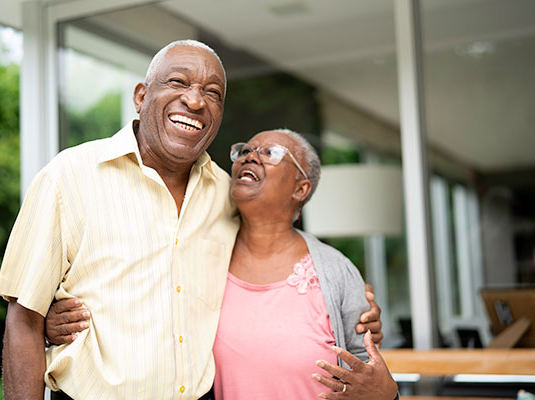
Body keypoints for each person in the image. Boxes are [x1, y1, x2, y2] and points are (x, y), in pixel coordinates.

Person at [0, 40, 383, 400]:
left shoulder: (226, 196)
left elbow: (273, 270)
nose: (195, 100)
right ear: (141, 96)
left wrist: (351, 306)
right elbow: (24, 319)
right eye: (178, 82)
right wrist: (45, 323)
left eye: (212, 93)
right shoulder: (69, 177)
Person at [46, 129, 399, 399]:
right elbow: (139, 303)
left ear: (301, 188)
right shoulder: (200, 253)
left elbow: (369, 376)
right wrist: (55, 322)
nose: (249, 157)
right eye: (244, 150)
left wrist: (388, 393)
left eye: (270, 153)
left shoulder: (336, 271)